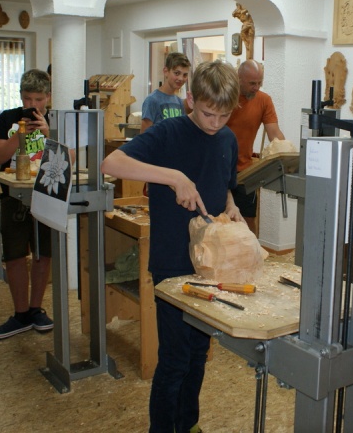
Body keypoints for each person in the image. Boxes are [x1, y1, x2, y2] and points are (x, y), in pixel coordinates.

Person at [101, 60, 242, 433]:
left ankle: (188, 423)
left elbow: (224, 184)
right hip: (173, 262)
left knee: (198, 353)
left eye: (224, 116)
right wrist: (173, 177)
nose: (215, 123)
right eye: (208, 113)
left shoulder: (227, 138)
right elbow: (111, 163)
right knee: (175, 359)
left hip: (208, 265)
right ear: (190, 99)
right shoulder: (168, 132)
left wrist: (230, 205)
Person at [0, 69, 54, 340]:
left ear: (48, 97)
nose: (32, 105)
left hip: (46, 194)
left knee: (43, 254)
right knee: (15, 255)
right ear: (20, 96)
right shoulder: (7, 118)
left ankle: (36, 308)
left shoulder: (56, 120)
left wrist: (48, 134)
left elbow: (69, 157)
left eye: (38, 99)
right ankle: (21, 313)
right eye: (27, 99)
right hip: (12, 197)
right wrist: (19, 135)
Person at [226, 59, 285, 234]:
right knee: (220, 218)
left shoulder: (264, 100)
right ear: (239, 78)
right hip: (220, 168)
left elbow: (274, 133)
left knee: (247, 219)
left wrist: (288, 155)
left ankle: (251, 249)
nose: (256, 87)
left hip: (245, 172)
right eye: (252, 83)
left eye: (260, 82)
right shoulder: (225, 96)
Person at [140, 52, 191, 132]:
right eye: (177, 73)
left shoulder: (179, 102)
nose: (181, 78)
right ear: (166, 71)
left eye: (184, 75)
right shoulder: (152, 100)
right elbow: (144, 136)